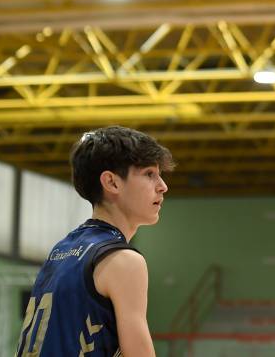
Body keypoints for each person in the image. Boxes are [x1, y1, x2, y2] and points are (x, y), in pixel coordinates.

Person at [15, 125, 174, 356]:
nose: (163, 186)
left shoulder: (62, 250)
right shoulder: (124, 260)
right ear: (111, 182)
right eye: (149, 174)